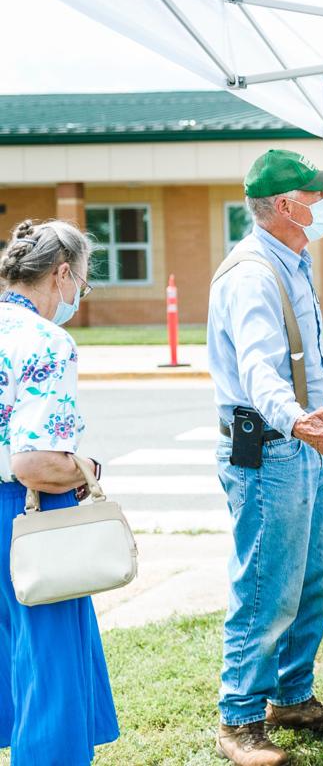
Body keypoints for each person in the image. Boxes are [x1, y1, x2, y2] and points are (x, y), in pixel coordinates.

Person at [208, 149, 323, 766]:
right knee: (267, 587)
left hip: (303, 442)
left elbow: (299, 354)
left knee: (315, 580)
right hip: (272, 450)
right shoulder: (253, 275)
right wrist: (299, 422)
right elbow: (260, 371)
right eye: (315, 196)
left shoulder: (290, 260)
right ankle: (238, 721)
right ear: (286, 205)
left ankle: (293, 698)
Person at [0, 219, 119, 764]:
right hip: (24, 516)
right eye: (81, 286)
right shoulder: (47, 340)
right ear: (62, 273)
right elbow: (35, 462)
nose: (77, 298)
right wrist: (87, 467)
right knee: (50, 666)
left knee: (12, 658)